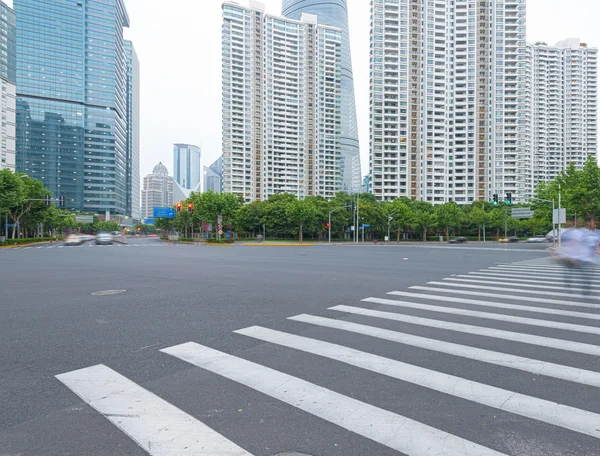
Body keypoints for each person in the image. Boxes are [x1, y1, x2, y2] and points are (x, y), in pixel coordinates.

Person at [558, 228, 597, 295]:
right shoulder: (571, 234)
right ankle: (570, 286)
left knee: (583, 274)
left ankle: (585, 289)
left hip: (580, 258)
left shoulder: (580, 234)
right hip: (573, 258)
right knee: (571, 273)